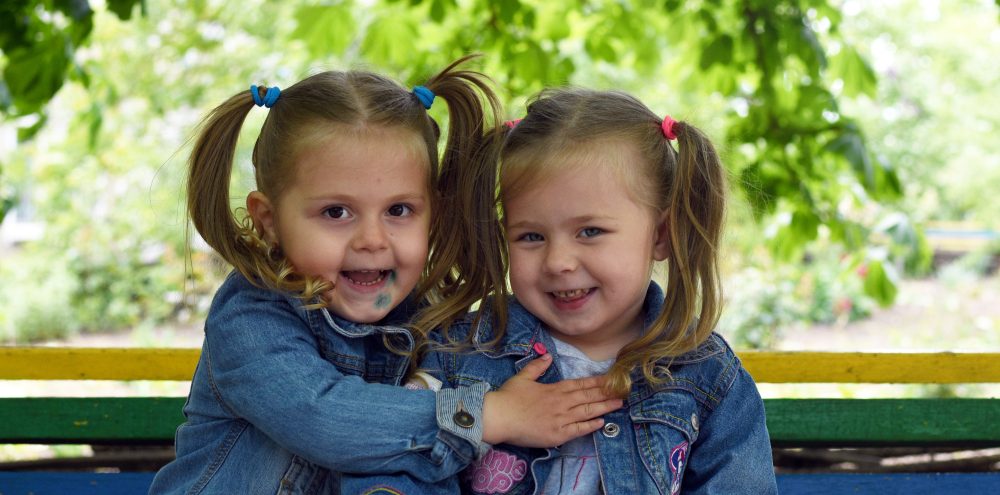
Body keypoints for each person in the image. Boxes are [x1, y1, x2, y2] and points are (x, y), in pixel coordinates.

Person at [148, 60, 623, 495]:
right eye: (336, 212)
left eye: (399, 210)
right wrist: (492, 415)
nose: (372, 240)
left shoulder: (434, 319)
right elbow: (325, 420)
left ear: (433, 212)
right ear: (269, 220)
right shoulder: (250, 319)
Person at [349, 88, 777, 494]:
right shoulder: (463, 351)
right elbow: (397, 461)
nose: (558, 262)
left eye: (590, 231)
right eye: (531, 237)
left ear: (661, 235)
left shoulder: (707, 377)